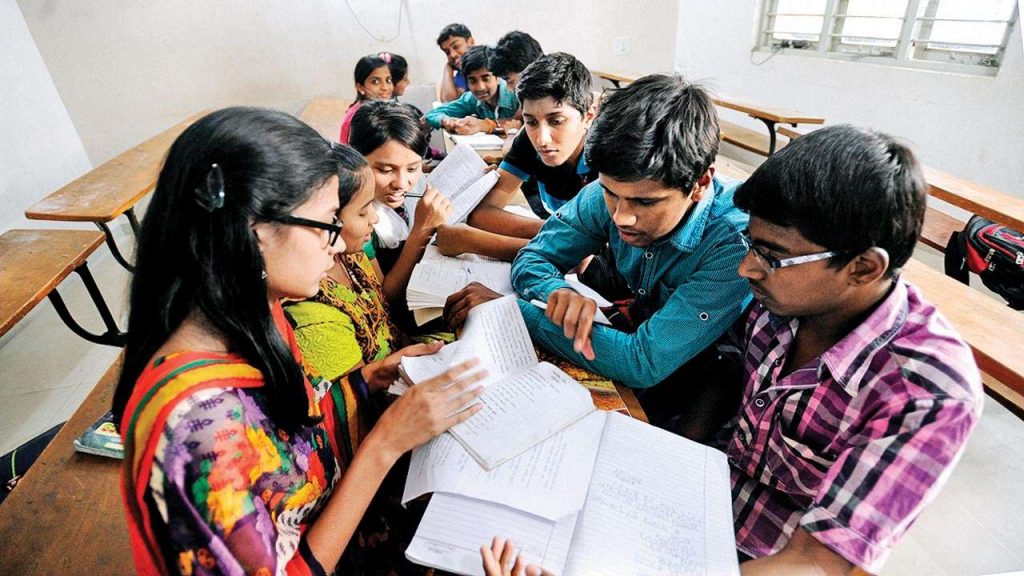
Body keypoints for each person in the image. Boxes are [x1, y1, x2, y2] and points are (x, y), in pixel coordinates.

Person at [485, 125, 985, 576]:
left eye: (771, 255)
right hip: (686, 499)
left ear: (863, 268)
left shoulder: (927, 391)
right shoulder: (786, 295)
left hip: (762, 556)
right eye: (750, 244)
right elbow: (725, 366)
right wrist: (677, 454)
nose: (746, 268)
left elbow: (817, 562)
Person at [114, 107, 485, 575]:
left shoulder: (259, 308)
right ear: (254, 235)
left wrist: (367, 380)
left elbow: (295, 432)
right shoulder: (198, 428)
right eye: (328, 223)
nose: (338, 244)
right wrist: (385, 444)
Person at [509, 74, 751, 432]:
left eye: (645, 202)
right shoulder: (613, 187)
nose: (621, 217)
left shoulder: (734, 244)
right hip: (645, 333)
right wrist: (556, 293)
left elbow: (642, 362)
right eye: (610, 193)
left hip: (710, 380)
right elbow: (533, 258)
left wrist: (512, 312)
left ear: (700, 183)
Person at [436, 52, 597, 261]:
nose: (542, 139)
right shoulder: (527, 140)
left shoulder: (610, 153)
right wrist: (562, 233)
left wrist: (473, 241)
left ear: (588, 117)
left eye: (556, 121)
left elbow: (591, 257)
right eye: (531, 122)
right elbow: (483, 214)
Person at [348, 100, 452, 308]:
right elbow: (384, 299)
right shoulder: (355, 220)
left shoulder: (415, 188)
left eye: (412, 169)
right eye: (385, 170)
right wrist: (421, 232)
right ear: (355, 160)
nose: (402, 184)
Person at [425, 45, 521, 135]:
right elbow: (432, 114)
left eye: (486, 79)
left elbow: (520, 121)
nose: (480, 87)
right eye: (472, 81)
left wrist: (483, 125)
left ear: (497, 77)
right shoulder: (471, 100)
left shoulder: (516, 94)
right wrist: (447, 120)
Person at [339, 53, 395, 144]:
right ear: (360, 87)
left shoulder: (384, 109)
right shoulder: (356, 118)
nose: (385, 87)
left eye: (388, 80)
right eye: (375, 81)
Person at [436, 23, 474, 102]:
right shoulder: (461, 75)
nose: (452, 55)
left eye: (456, 46)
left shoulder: (491, 61)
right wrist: (448, 68)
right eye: (447, 52)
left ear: (470, 41)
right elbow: (448, 102)